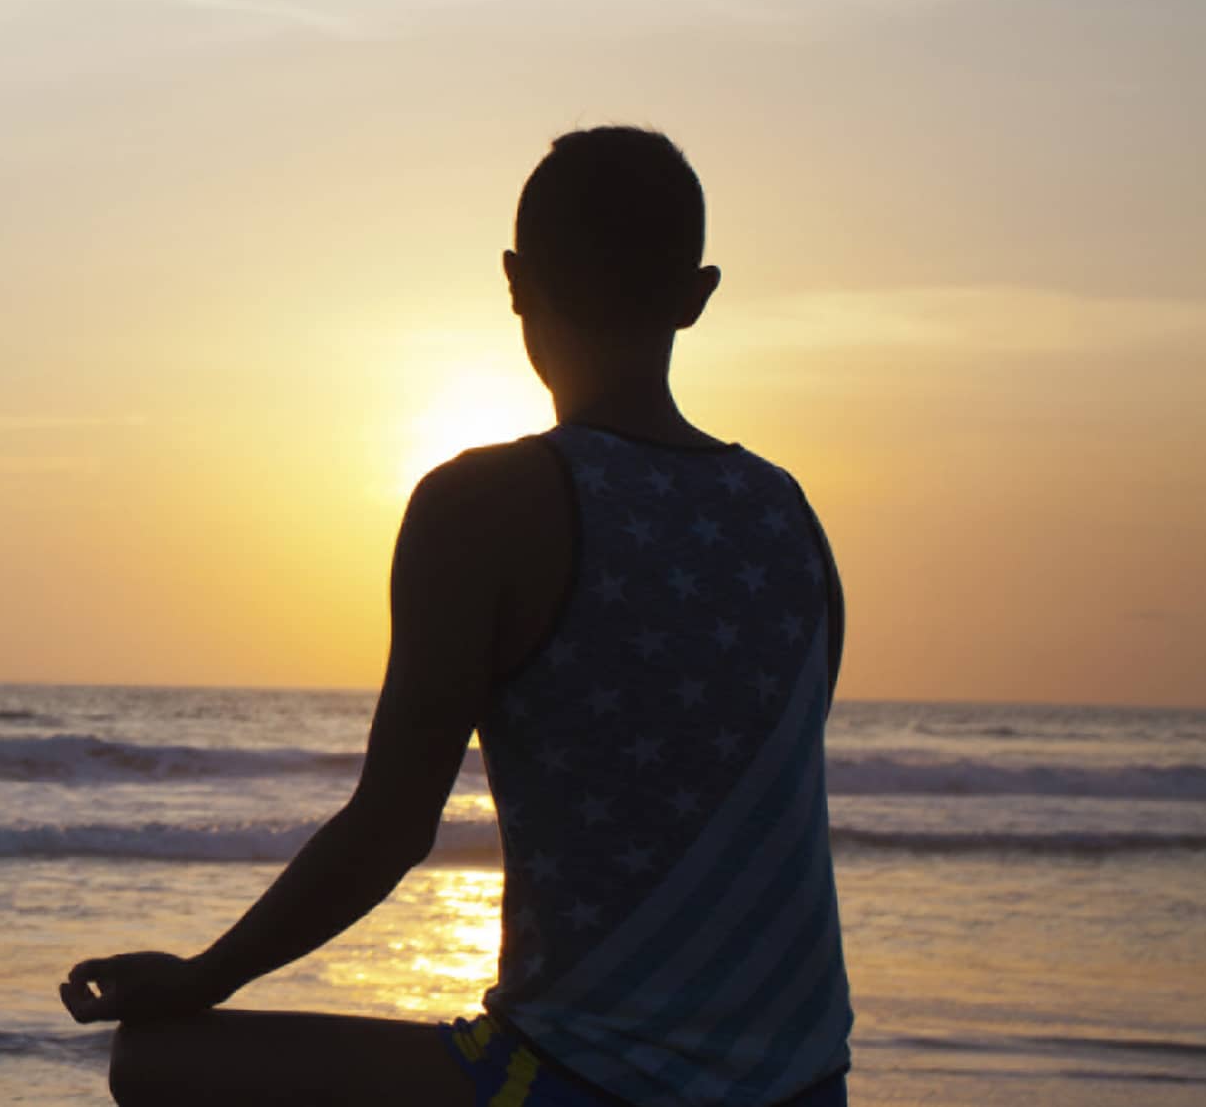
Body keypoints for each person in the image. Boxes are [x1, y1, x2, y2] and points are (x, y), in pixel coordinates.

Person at [61, 126, 852, 1106]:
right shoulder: (790, 518)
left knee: (159, 1061)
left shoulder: (484, 504)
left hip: (580, 1082)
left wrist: (202, 976)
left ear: (517, 282)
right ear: (698, 295)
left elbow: (392, 829)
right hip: (806, 1088)